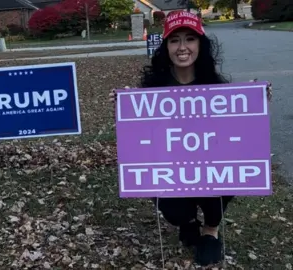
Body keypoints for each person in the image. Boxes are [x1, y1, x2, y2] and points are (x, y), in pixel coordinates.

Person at [109, 11, 273, 266]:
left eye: (190, 39)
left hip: (209, 166)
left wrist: (256, 102)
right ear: (166, 47)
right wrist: (125, 108)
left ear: (200, 44)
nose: (182, 47)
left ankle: (210, 230)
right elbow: (142, 141)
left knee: (221, 186)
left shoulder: (216, 87)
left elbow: (237, 135)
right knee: (174, 212)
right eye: (174, 40)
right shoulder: (152, 90)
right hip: (171, 166)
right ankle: (187, 222)